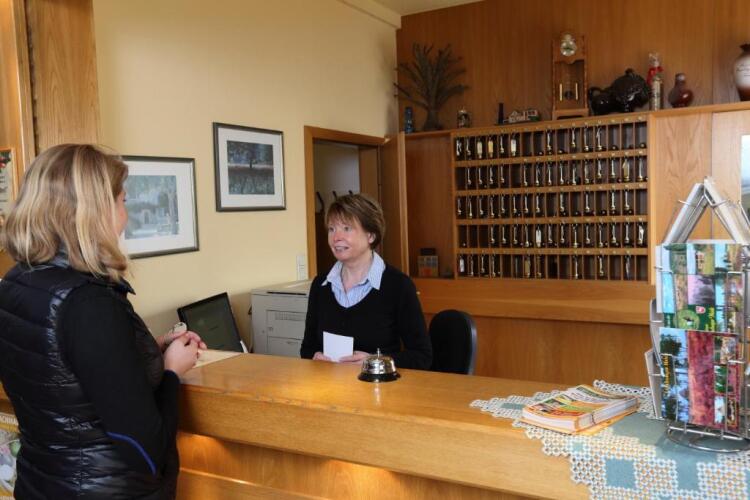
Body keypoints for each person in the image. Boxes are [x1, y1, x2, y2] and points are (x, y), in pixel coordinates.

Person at [0, 144, 206, 499]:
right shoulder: (88, 303)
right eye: (123, 201)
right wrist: (172, 372)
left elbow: (63, 375)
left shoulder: (14, 283)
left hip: (39, 484)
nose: (126, 217)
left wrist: (144, 352)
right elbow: (145, 451)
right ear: (94, 212)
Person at [300, 194, 432, 369]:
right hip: (330, 383)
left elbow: (422, 356)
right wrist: (314, 356)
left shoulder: (398, 286)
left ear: (370, 235)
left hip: (379, 384)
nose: (336, 237)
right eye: (332, 229)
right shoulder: (321, 284)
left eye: (346, 228)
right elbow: (307, 348)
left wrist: (376, 362)